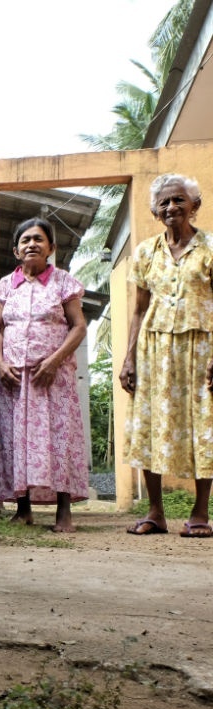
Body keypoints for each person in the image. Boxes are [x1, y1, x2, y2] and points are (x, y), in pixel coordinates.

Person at [120, 174, 213, 538]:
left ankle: (200, 512)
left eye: (178, 200)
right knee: (148, 423)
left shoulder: (209, 248)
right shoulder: (145, 252)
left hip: (201, 346)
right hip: (154, 348)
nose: (171, 207)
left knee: (203, 424)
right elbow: (139, 309)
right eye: (164, 203)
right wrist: (129, 358)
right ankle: (156, 511)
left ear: (194, 205)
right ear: (155, 211)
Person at [0, 216, 88, 532]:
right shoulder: (6, 285)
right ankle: (23, 508)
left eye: (38, 239)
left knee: (58, 439)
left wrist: (55, 361)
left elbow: (78, 326)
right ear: (17, 250)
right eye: (25, 240)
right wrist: (0, 364)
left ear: (51, 248)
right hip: (14, 379)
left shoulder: (63, 282)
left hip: (52, 378)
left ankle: (63, 511)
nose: (31, 244)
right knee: (15, 438)